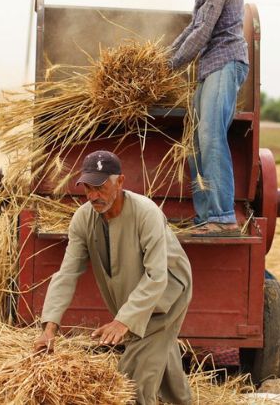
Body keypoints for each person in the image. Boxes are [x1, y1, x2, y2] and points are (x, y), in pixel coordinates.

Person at [33, 150, 193, 405]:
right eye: (88, 187)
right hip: (136, 295)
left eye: (100, 187)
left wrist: (123, 321)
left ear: (120, 182)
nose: (93, 195)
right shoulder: (83, 218)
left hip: (168, 293)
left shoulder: (146, 212)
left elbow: (156, 276)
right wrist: (49, 328)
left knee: (131, 381)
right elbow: (67, 273)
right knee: (162, 357)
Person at [167, 0, 249, 236]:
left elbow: (202, 32)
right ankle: (205, 218)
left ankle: (223, 217)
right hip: (209, 68)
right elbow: (193, 27)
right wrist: (162, 61)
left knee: (212, 136)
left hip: (225, 63)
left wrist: (171, 64)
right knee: (194, 143)